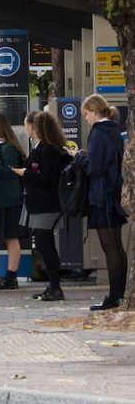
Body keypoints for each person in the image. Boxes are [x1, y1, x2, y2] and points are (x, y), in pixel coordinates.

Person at [11, 110, 66, 301]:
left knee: (44, 242)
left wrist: (25, 174)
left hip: (46, 203)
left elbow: (49, 178)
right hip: (39, 202)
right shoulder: (41, 147)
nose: (26, 128)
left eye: (27, 124)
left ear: (33, 126)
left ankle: (56, 286)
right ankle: (52, 285)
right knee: (44, 243)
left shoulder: (48, 149)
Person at [82, 94, 129, 311]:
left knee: (109, 245)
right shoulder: (114, 130)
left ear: (95, 111)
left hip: (101, 194)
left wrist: (79, 158)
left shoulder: (99, 133)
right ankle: (119, 293)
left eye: (87, 113)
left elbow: (94, 166)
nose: (86, 118)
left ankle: (114, 295)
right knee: (117, 246)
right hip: (113, 190)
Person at [0, 112, 26, 290]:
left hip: (9, 199)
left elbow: (11, 173)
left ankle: (11, 276)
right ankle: (10, 274)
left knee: (11, 237)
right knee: (6, 237)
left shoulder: (8, 148)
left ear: (0, 127)